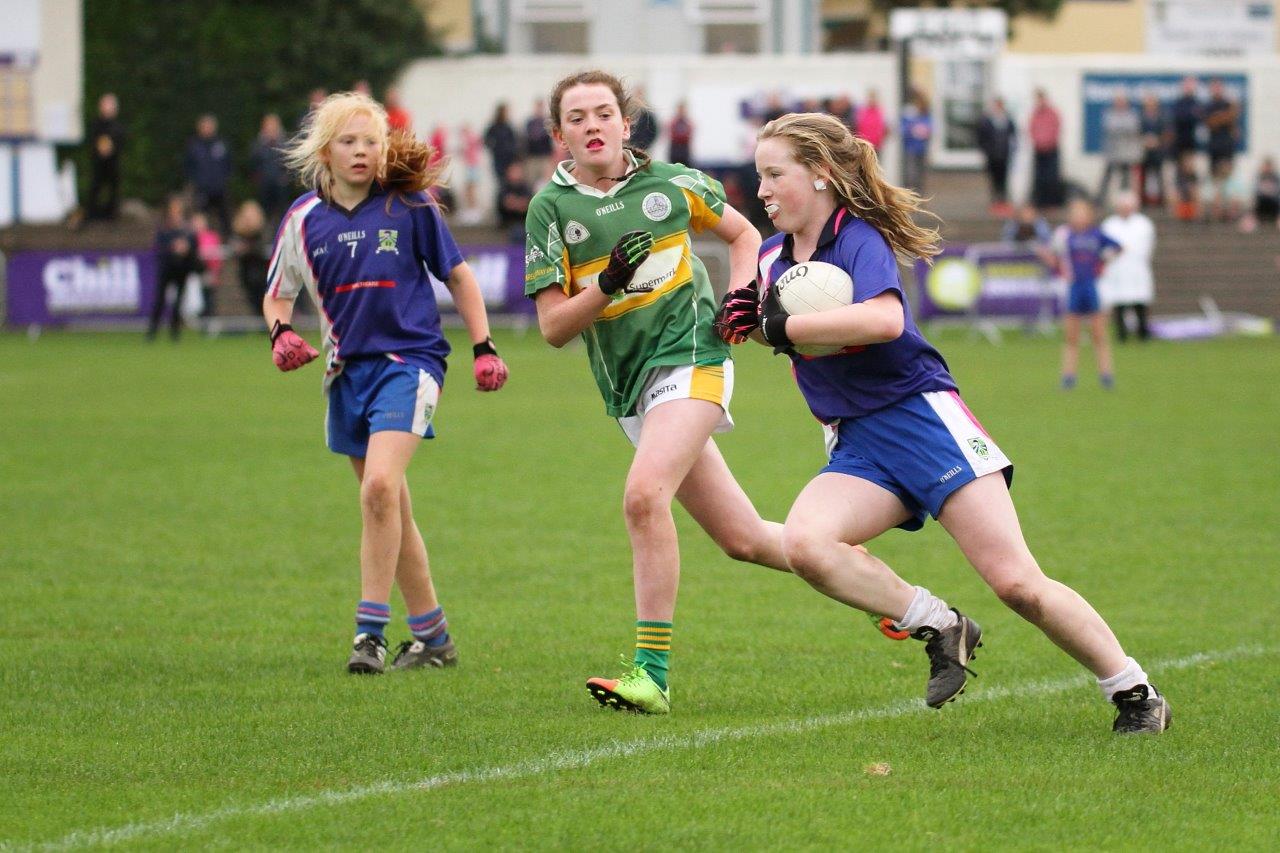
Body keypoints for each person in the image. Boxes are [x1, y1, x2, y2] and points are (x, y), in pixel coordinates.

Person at [717, 112, 1168, 734]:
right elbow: (745, 304)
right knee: (805, 546)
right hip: (857, 442)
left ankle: (1135, 692)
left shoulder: (857, 238)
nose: (761, 188)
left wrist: (782, 327)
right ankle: (941, 623)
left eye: (775, 174)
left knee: (1018, 586)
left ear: (821, 174)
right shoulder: (772, 257)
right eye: (758, 175)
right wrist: (732, 312)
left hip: (924, 423)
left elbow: (883, 322)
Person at [523, 69, 793, 715]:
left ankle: (652, 675)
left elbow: (746, 234)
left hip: (695, 354)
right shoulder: (550, 210)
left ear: (625, 122)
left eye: (604, 113)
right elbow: (555, 327)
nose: (593, 125)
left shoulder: (672, 182)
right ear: (559, 135)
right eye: (578, 117)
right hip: (634, 388)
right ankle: (905, 600)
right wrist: (607, 283)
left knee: (644, 497)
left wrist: (743, 293)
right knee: (746, 538)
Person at [265, 92, 510, 674]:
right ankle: (433, 638)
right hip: (346, 374)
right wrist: (280, 334)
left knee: (377, 489)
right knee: (389, 502)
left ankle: (368, 635)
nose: (361, 152)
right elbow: (279, 293)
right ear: (326, 151)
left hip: (412, 364)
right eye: (348, 142)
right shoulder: (302, 219)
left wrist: (483, 346)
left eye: (371, 142)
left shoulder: (410, 205)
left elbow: (458, 275)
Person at [1048, 199, 1121, 389]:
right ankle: (1068, 377)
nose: (1079, 217)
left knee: (1099, 334)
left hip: (1091, 286)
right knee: (1071, 336)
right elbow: (1054, 256)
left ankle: (1106, 375)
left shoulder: (1096, 234)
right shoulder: (1064, 234)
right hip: (1074, 287)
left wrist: (1103, 262)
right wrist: (1058, 267)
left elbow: (1118, 247)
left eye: (1082, 212)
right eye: (1075, 212)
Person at [1098, 191, 1155, 342]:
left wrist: (1126, 250)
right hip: (1117, 268)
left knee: (1139, 302)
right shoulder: (1109, 224)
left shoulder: (1143, 224)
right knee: (1119, 303)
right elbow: (1103, 247)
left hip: (1136, 267)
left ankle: (1143, 332)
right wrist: (1114, 253)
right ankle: (1121, 333)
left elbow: (1145, 247)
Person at [147, 195, 203, 340]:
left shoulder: (187, 229)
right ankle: (153, 330)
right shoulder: (164, 228)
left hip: (181, 267)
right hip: (167, 266)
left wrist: (186, 247)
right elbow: (159, 246)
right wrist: (173, 247)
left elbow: (194, 245)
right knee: (160, 298)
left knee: (179, 300)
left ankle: (174, 331)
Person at [184, 114, 232, 234]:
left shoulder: (221, 144)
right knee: (201, 217)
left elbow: (228, 164)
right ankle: (202, 241)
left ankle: (226, 238)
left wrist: (224, 179)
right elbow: (188, 166)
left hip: (219, 188)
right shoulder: (193, 146)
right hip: (202, 189)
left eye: (210, 126)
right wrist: (196, 182)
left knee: (224, 217)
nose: (207, 128)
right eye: (205, 126)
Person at [1098, 93, 1141, 207]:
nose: (1120, 104)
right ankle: (1100, 200)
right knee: (1107, 177)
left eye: (1122, 101)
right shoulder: (1108, 114)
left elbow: (1133, 128)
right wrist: (1123, 129)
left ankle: (1124, 202)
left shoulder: (1132, 114)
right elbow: (1110, 128)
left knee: (1126, 179)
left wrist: (1121, 129)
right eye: (1118, 101)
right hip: (1112, 152)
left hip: (1126, 153)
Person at [86, 93, 125, 222]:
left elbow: (119, 142)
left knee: (113, 187)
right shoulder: (96, 125)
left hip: (112, 163)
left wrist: (110, 148)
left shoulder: (117, 126)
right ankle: (92, 213)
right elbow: (93, 141)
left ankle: (111, 215)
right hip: (99, 163)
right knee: (95, 186)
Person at [249, 113, 291, 226]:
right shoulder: (258, 143)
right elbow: (253, 163)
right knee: (265, 213)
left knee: (283, 212)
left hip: (281, 185)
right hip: (264, 185)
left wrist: (286, 178)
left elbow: (290, 163)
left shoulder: (285, 142)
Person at [977, 98, 1015, 216]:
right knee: (993, 179)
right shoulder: (987, 121)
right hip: (992, 155)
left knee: (1003, 179)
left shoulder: (1007, 120)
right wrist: (986, 150)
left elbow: (1013, 135)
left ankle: (1002, 201)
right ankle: (994, 201)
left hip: (1004, 154)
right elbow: (981, 137)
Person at [231, 199, 271, 310]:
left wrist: (248, 248)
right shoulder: (239, 233)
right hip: (246, 270)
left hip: (262, 270)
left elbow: (264, 246)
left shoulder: (263, 231)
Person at [1028, 89, 1063, 209]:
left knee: (1051, 177)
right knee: (1039, 177)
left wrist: (1048, 142)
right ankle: (1040, 202)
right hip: (1039, 150)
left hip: (1051, 149)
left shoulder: (1052, 113)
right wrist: (1038, 142)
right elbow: (1031, 130)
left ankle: (1052, 202)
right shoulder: (1034, 114)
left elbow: (1056, 129)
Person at [1137, 93, 1169, 208]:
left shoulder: (1161, 117)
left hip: (1157, 150)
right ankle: (1142, 200)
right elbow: (1136, 132)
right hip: (1144, 150)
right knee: (1143, 177)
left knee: (1159, 175)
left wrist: (1157, 141)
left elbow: (1166, 132)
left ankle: (1161, 200)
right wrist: (1144, 140)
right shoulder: (1140, 117)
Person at [191, 212, 224, 319]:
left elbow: (216, 256)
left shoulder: (212, 236)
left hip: (208, 272)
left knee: (208, 298)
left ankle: (208, 321)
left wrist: (215, 272)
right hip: (193, 272)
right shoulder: (190, 237)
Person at [899, 88, 931, 194]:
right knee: (911, 174)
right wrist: (912, 130)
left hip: (921, 147)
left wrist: (925, 130)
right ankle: (911, 196)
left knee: (920, 174)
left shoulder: (925, 112)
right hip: (910, 147)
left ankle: (919, 196)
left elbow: (930, 125)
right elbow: (902, 128)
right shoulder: (908, 112)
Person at [483, 102, 519, 184]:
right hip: (498, 159)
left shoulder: (509, 127)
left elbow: (514, 141)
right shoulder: (494, 127)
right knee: (500, 182)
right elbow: (486, 140)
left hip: (509, 159)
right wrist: (494, 147)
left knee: (510, 181)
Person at [523, 98, 555, 183]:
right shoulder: (530, 122)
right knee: (532, 179)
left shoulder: (546, 121)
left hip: (545, 155)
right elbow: (528, 137)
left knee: (546, 178)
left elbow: (550, 136)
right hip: (533, 156)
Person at [855, 89, 888, 153]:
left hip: (877, 145)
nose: (872, 100)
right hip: (863, 144)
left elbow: (886, 128)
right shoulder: (861, 111)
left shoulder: (881, 112)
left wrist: (881, 140)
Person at [1253, 156, 1280, 228]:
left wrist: (1269, 192)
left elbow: (1277, 191)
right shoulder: (1260, 177)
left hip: (1273, 201)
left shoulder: (1276, 178)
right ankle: (1257, 221)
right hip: (1262, 201)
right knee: (1259, 201)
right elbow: (1257, 191)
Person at [667, 101, 694, 167]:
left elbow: (688, 135)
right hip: (675, 149)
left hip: (684, 150)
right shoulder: (673, 122)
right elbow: (672, 135)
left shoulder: (688, 123)